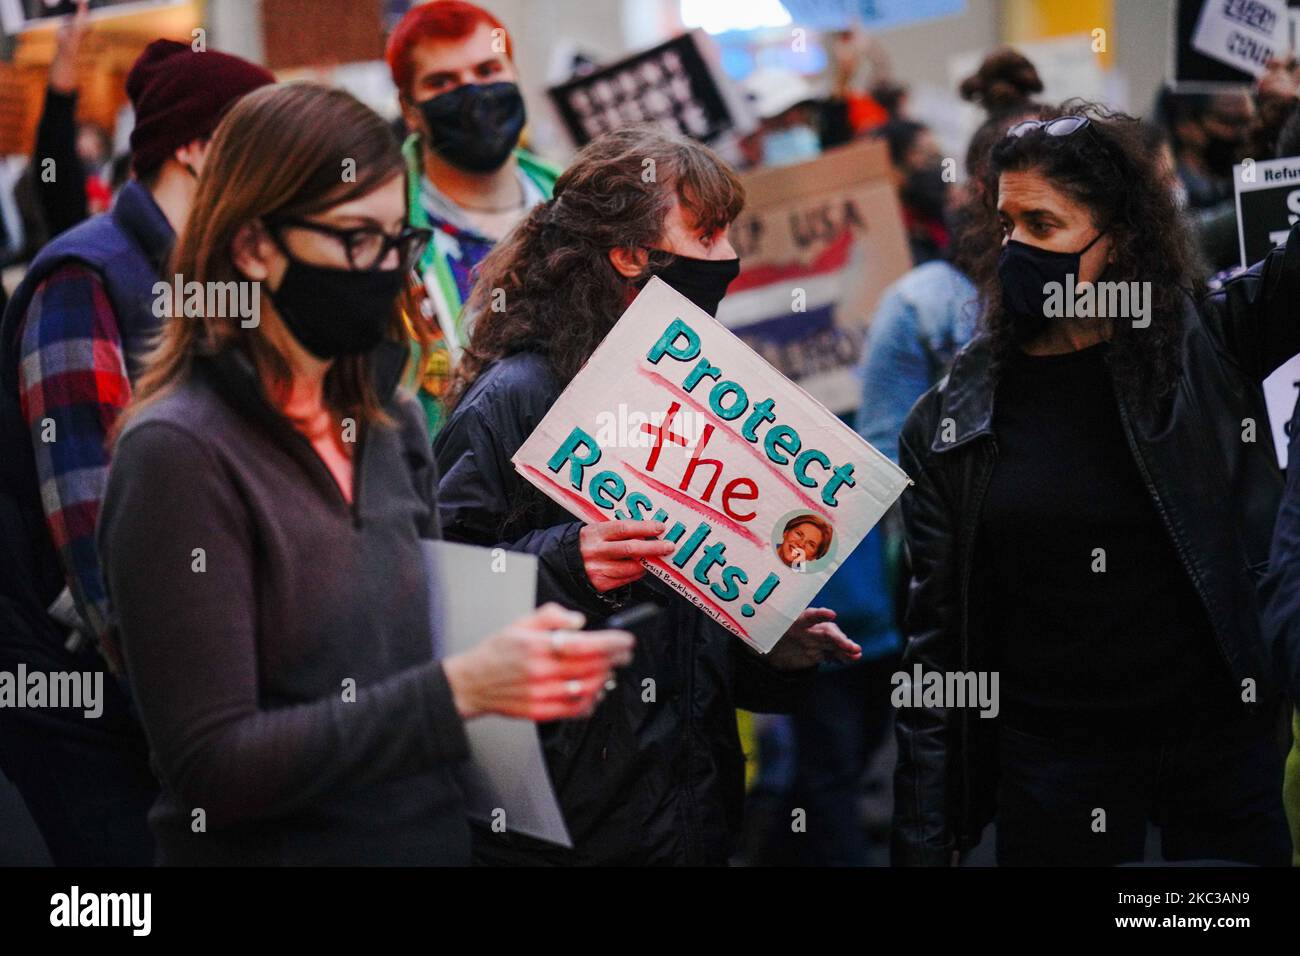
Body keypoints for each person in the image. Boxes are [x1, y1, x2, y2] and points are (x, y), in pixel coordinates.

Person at [96, 82, 633, 866]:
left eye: (396, 240)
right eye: (354, 240)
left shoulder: (390, 424)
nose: (384, 269)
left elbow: (414, 657)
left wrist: (526, 665)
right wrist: (459, 694)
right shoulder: (177, 453)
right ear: (251, 248)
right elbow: (212, 765)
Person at [434, 125, 859, 865]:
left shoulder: (699, 397)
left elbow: (680, 616)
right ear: (630, 255)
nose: (727, 256)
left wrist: (766, 647)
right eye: (704, 232)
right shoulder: (512, 398)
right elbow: (442, 591)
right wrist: (568, 560)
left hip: (689, 813)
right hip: (563, 829)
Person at [894, 102, 1295, 867]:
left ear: (1118, 244)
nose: (1016, 248)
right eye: (1008, 224)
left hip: (1218, 758)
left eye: (1044, 227)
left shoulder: (1210, 343)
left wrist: (1287, 119)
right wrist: (923, 840)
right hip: (1056, 776)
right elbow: (936, 652)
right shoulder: (952, 421)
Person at [0, 38, 273, 867]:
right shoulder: (85, 276)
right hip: (86, 696)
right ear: (194, 149)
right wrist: (195, 708)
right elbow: (96, 532)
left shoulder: (219, 276)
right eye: (260, 140)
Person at [385, 0, 560, 435]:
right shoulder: (378, 231)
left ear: (514, 74)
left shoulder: (582, 202)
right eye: (442, 82)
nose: (472, 94)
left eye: (487, 71)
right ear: (410, 110)